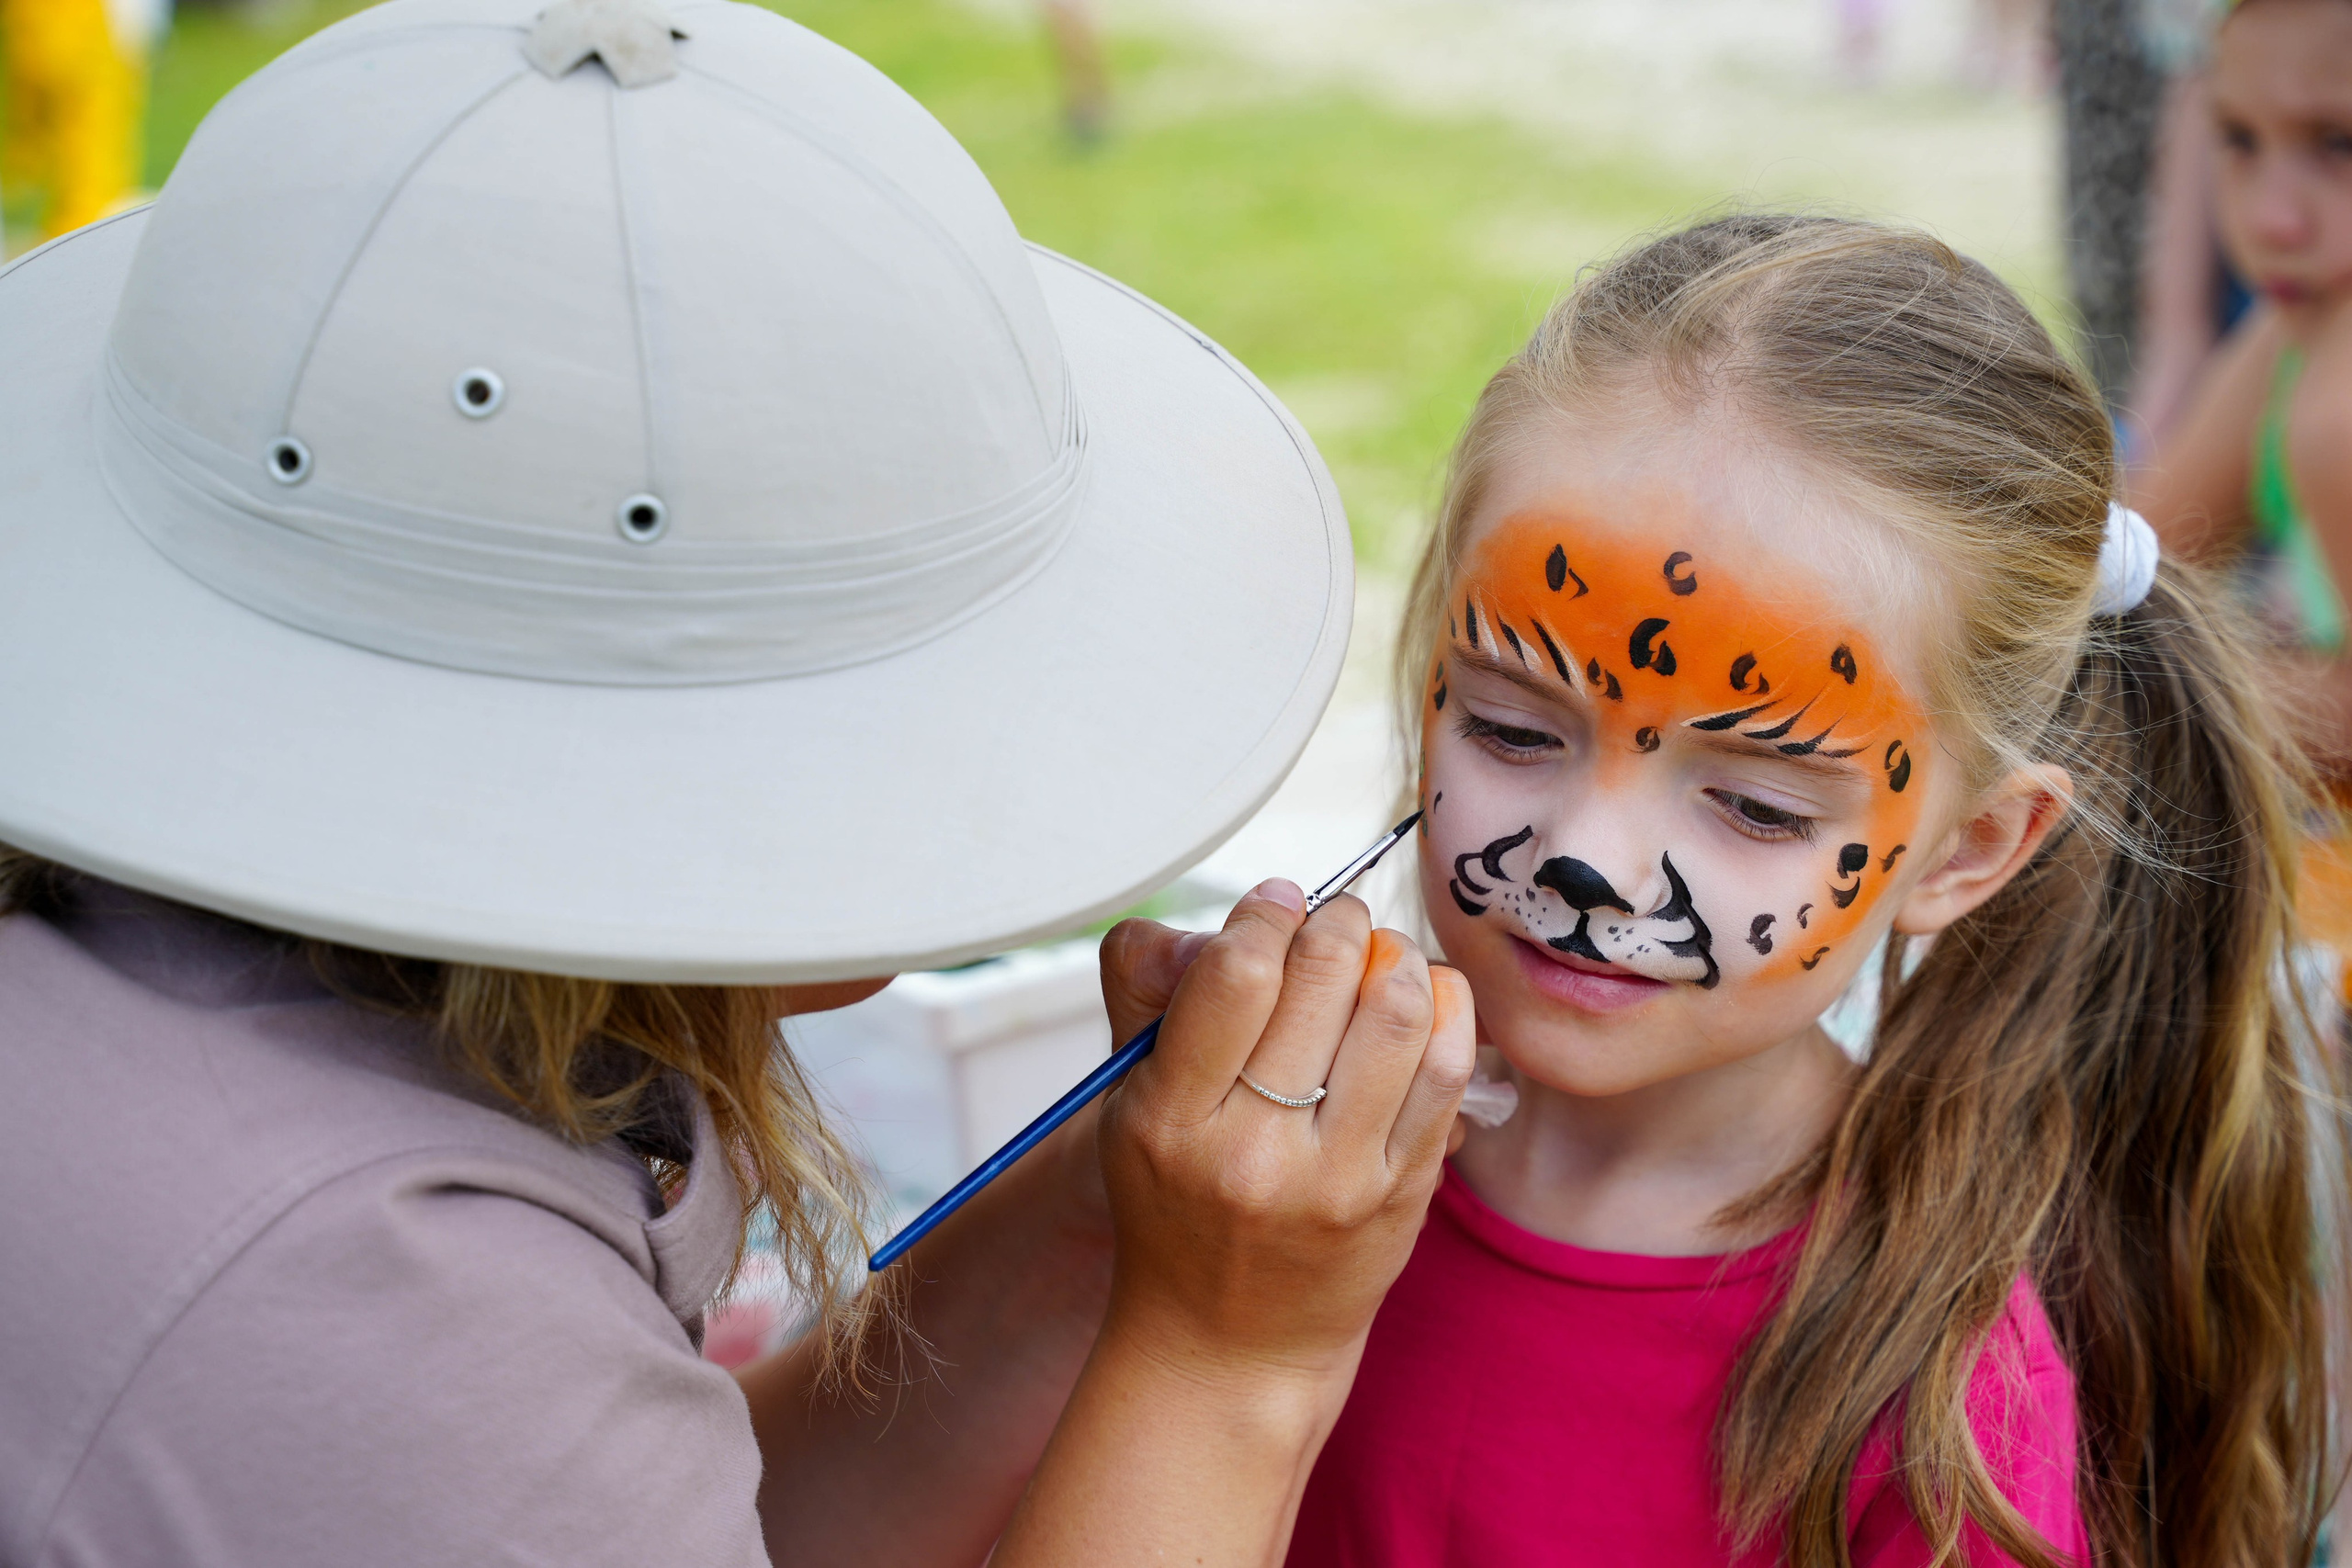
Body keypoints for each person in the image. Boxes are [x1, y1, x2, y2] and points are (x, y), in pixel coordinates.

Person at [0, 3, 1475, 1565]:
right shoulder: (369, 1307)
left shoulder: (216, 1046)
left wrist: (1094, 1221)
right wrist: (1233, 1352)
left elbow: (658, 1512)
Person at [1283, 215, 2339, 1567]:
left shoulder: (1933, 1412)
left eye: (1757, 806)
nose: (1588, 859)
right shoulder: (1270, 1178)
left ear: (1966, 852)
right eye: (1512, 729)